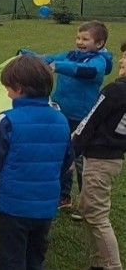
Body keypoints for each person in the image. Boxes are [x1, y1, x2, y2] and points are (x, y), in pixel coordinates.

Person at [0, 54, 73, 270]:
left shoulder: (7, 120)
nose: (7, 93)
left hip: (14, 208)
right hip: (45, 207)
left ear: (18, 88)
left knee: (11, 260)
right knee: (35, 258)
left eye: (8, 88)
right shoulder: (61, 119)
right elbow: (66, 161)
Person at [19, 20, 113, 214]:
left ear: (99, 43)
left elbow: (84, 71)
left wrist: (58, 66)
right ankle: (63, 196)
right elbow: (48, 58)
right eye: (78, 37)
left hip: (82, 119)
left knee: (79, 160)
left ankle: (86, 202)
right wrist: (28, 55)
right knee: (61, 154)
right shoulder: (72, 55)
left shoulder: (99, 62)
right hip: (61, 114)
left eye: (85, 39)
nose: (79, 42)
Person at [71, 40, 126, 270]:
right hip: (113, 159)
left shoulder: (116, 90)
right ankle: (98, 263)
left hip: (100, 160)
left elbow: (90, 120)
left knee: (96, 216)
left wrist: (71, 150)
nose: (121, 61)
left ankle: (112, 267)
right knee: (88, 210)